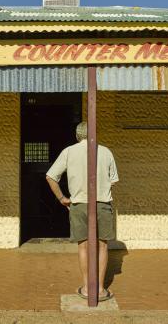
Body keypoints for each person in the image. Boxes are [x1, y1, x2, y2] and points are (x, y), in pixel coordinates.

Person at [46, 121, 119, 301]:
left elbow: (50, 176)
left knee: (83, 246)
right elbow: (113, 180)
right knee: (102, 246)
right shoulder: (106, 151)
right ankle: (101, 289)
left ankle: (86, 287)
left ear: (77, 135)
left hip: (78, 204)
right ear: (95, 133)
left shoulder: (69, 151)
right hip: (102, 203)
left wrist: (62, 198)